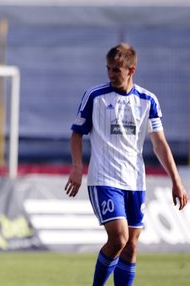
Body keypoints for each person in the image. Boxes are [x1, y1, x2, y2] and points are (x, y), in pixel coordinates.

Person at [66, 42, 188, 286]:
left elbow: (159, 144)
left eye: (116, 70)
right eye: (109, 69)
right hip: (104, 179)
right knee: (119, 238)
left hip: (135, 181)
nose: (111, 74)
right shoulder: (95, 96)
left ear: (131, 70)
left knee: (131, 247)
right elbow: (77, 133)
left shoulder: (148, 100)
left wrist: (177, 181)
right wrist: (78, 167)